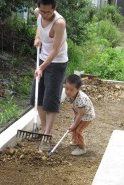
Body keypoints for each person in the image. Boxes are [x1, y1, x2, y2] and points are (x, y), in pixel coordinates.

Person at [30, 0, 68, 151]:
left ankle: (47, 137)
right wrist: (37, 37)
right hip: (42, 58)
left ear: (54, 9)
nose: (45, 15)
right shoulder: (38, 13)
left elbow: (55, 50)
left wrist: (41, 67)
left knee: (50, 100)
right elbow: (39, 26)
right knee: (37, 96)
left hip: (57, 62)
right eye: (42, 11)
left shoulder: (59, 23)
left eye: (48, 12)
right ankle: (43, 129)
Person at [64, 74, 96, 155]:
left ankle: (81, 148)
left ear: (78, 89)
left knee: (78, 130)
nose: (68, 92)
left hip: (87, 116)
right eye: (66, 89)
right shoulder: (69, 96)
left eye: (71, 90)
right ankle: (75, 141)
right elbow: (74, 108)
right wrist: (75, 118)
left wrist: (74, 124)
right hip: (79, 114)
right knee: (75, 126)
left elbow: (80, 115)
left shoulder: (81, 99)